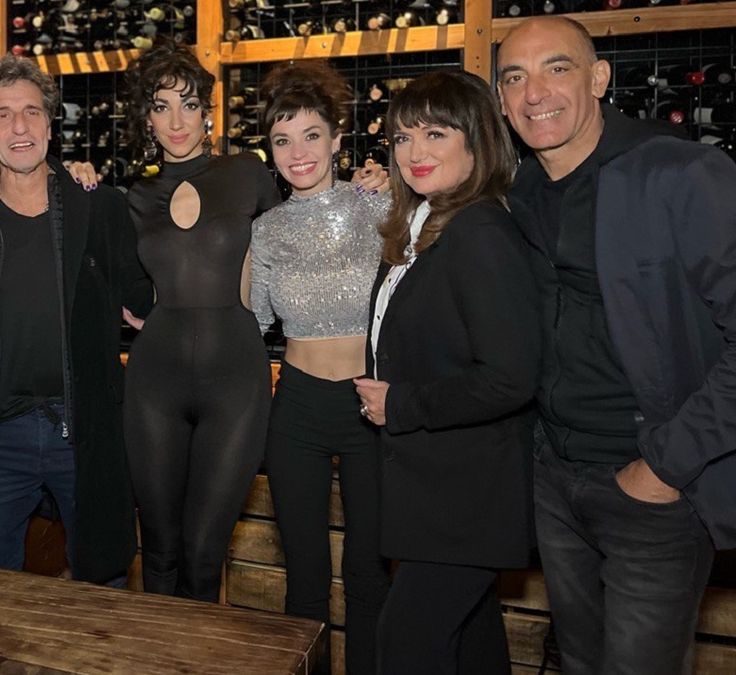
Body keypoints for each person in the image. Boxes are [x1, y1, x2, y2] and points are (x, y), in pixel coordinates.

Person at [497, 16, 736, 674]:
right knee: (578, 660)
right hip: (553, 479)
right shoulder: (520, 192)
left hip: (650, 487)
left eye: (557, 68)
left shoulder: (680, 173)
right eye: (514, 77)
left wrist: (665, 466)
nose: (535, 92)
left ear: (599, 78)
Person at [0, 55, 153, 584]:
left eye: (32, 112)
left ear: (50, 124)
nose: (19, 127)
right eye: (3, 114)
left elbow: (144, 300)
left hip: (83, 430)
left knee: (102, 584)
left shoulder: (99, 207)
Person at [354, 70, 540, 674]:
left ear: (476, 140)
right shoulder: (422, 228)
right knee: (472, 647)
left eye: (435, 133)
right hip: (433, 486)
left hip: (467, 495)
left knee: (406, 645)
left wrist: (400, 404)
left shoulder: (480, 230)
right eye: (403, 137)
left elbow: (511, 377)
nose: (416, 152)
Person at [115, 41, 280, 602]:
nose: (177, 121)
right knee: (159, 552)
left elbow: (299, 239)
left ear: (207, 110)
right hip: (153, 382)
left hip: (236, 381)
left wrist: (362, 196)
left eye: (188, 104)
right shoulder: (136, 195)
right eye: (161, 107)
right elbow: (114, 276)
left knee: (205, 553)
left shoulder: (247, 174)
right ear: (147, 117)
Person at [247, 61, 391, 675]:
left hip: (371, 407)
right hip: (298, 408)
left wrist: (392, 184)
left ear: (337, 138)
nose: (298, 152)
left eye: (311, 135)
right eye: (283, 139)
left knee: (369, 572)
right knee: (303, 575)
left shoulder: (380, 205)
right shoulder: (266, 230)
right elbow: (247, 322)